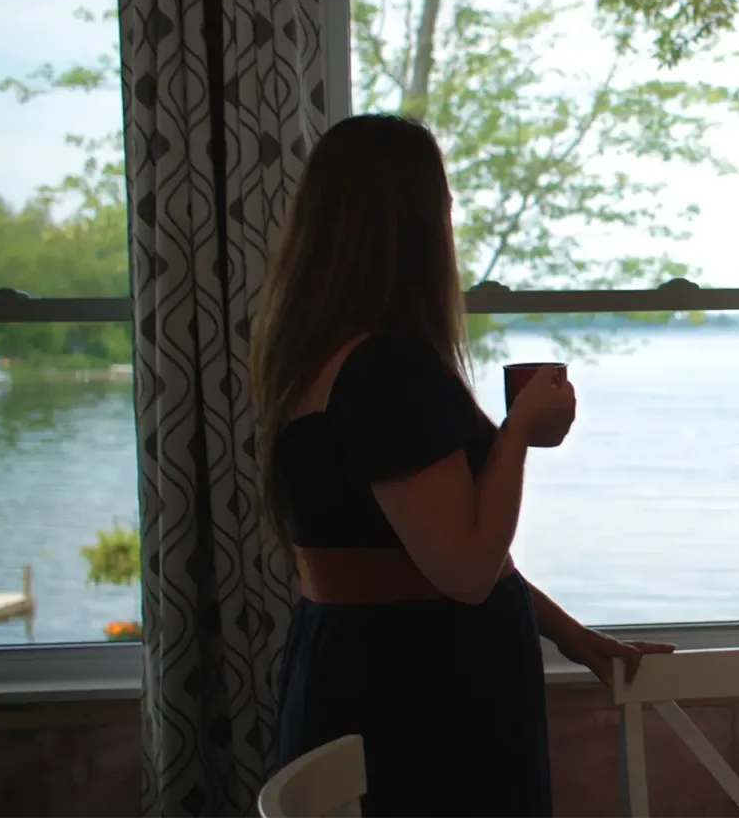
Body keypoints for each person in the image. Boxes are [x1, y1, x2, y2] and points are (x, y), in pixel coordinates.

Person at [251, 113, 673, 816]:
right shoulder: (388, 372)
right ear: (412, 226)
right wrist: (519, 432)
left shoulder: (315, 365)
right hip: (421, 700)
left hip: (359, 670)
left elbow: (415, 559)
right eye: (443, 208)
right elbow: (469, 571)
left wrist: (574, 639)